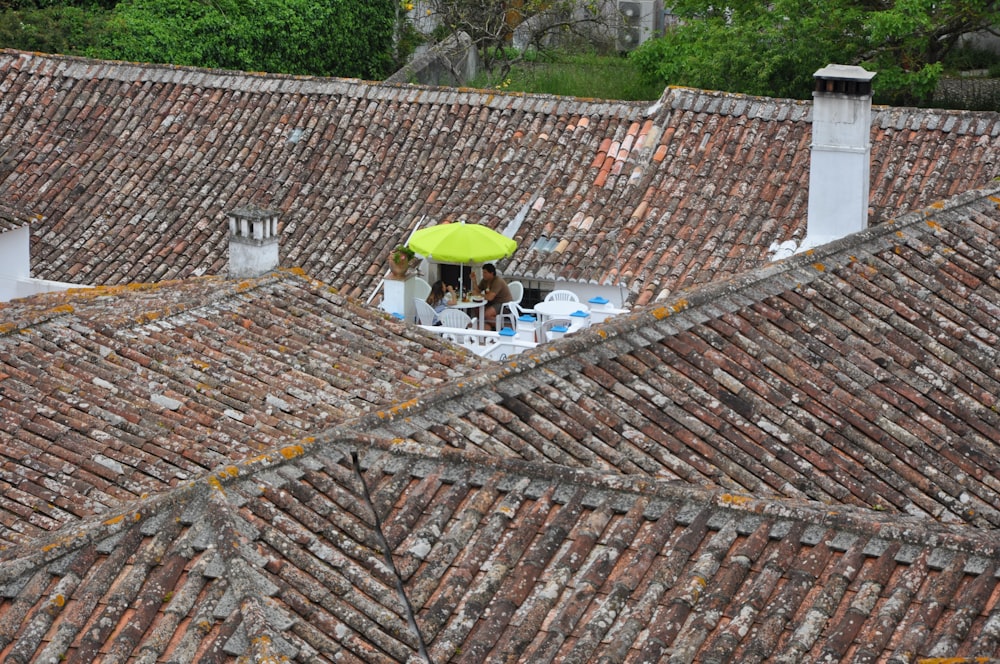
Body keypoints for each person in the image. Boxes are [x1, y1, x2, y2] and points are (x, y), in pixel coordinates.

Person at [470, 263, 512, 331]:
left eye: (485, 273)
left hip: (503, 304)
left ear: (491, 273)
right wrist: (474, 280)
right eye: (483, 272)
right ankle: (485, 325)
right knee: (477, 308)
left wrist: (478, 294)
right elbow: (478, 290)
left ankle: (503, 328)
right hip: (492, 303)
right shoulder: (484, 280)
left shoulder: (497, 281)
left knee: (487, 314)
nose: (483, 274)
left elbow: (490, 297)